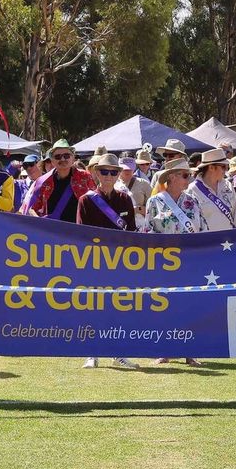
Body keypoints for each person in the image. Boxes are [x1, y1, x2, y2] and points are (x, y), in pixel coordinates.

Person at [77, 153, 139, 370]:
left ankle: (118, 352)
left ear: (119, 174)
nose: (109, 176)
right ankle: (91, 353)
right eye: (104, 172)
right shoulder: (86, 200)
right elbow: (81, 235)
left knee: (118, 307)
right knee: (93, 307)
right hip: (94, 262)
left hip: (119, 263)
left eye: (113, 172)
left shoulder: (124, 199)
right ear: (96, 173)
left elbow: (132, 232)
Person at [145, 157, 205, 366]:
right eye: (185, 175)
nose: (189, 178)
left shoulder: (193, 200)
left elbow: (203, 228)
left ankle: (190, 351)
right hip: (165, 262)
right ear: (171, 178)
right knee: (165, 307)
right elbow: (148, 230)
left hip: (189, 262)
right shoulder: (155, 201)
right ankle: (164, 350)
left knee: (188, 306)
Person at [22, 139, 94, 221]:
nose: (62, 159)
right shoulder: (42, 182)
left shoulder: (85, 177)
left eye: (66, 156)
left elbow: (95, 205)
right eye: (58, 157)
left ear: (73, 158)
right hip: (52, 232)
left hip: (79, 231)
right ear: (52, 161)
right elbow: (31, 209)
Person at [193, 148, 236, 231]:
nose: (226, 170)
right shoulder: (192, 190)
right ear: (211, 167)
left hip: (229, 241)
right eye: (223, 167)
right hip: (209, 242)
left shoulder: (228, 185)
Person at [119, 157, 152, 230]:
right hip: (119, 225)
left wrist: (138, 209)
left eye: (130, 168)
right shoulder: (113, 184)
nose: (127, 170)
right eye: (124, 169)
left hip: (140, 226)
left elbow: (153, 208)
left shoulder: (144, 184)